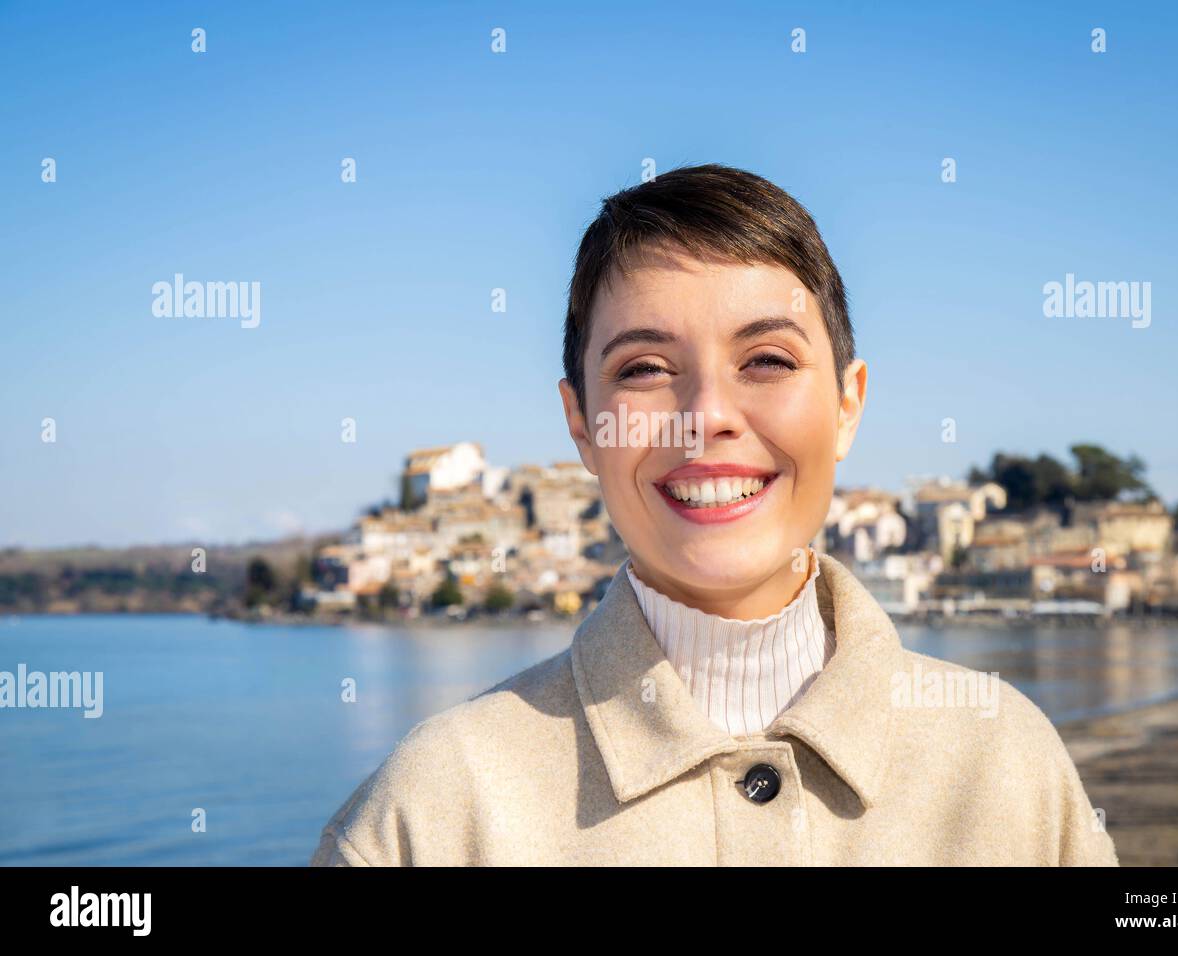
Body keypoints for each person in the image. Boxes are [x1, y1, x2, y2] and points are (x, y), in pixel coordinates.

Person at [310, 163, 1119, 866]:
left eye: (767, 359)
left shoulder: (1006, 762)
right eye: (647, 367)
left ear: (847, 405)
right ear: (583, 424)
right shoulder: (432, 812)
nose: (706, 415)